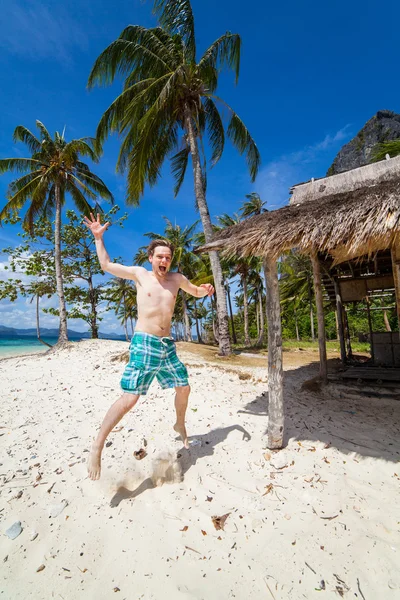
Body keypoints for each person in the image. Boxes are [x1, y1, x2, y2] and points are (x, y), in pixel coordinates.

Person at [83, 213, 214, 480]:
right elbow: (106, 264)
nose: (164, 261)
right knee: (130, 398)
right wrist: (98, 238)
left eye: (168, 257)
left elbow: (196, 291)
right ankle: (97, 445)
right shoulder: (140, 275)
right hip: (144, 342)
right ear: (150, 258)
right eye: (160, 257)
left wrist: (206, 289)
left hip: (167, 345)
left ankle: (179, 422)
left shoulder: (176, 279)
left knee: (184, 386)